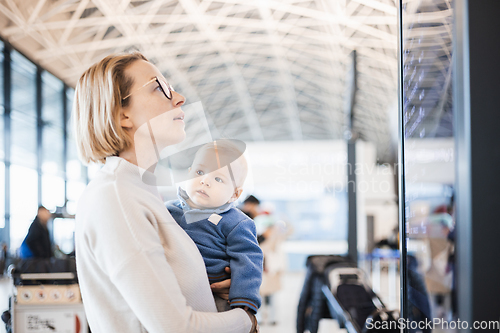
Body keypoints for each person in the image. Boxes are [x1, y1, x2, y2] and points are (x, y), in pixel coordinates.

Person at [73, 52, 258, 333]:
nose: (180, 97)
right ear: (121, 113)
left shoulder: (144, 194)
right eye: (159, 88)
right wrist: (246, 318)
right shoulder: (117, 198)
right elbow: (176, 327)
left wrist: (215, 286)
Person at [166, 141, 263, 314]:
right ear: (189, 173)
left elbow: (248, 260)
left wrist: (244, 299)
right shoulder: (168, 211)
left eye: (218, 178)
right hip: (171, 290)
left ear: (235, 194)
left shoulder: (236, 222)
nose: (205, 181)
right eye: (200, 172)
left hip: (216, 295)